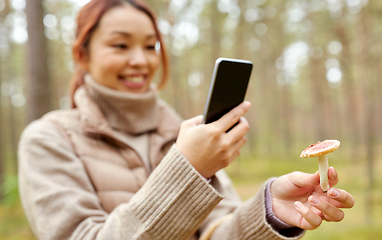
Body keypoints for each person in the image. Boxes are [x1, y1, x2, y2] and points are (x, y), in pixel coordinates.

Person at [18, 0, 355, 239]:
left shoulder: (182, 133)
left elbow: (214, 232)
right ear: (82, 54)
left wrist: (270, 211)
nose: (140, 60)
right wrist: (188, 169)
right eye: (120, 45)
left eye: (151, 47)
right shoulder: (48, 138)